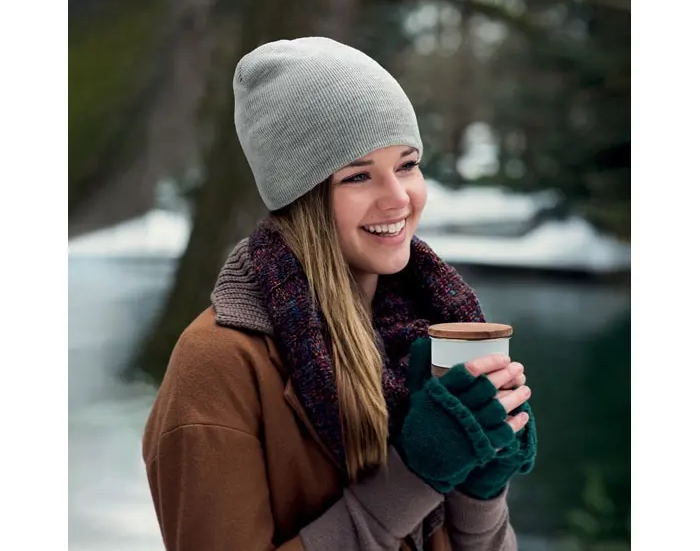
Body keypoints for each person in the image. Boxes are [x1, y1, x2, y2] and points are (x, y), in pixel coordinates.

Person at [142, 36, 537, 551]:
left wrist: (478, 495)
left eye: (407, 165)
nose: (398, 198)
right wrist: (412, 476)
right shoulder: (219, 365)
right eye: (358, 176)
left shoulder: (427, 332)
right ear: (300, 196)